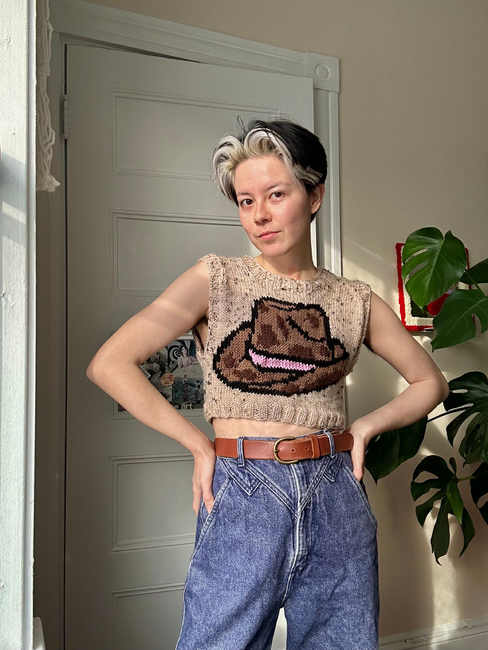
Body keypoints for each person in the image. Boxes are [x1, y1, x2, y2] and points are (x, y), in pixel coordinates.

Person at [86, 119, 449, 650]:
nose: (259, 215)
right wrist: (197, 444)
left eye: (276, 194)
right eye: (245, 200)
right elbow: (110, 363)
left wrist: (366, 427)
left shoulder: (355, 300)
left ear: (314, 195)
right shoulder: (216, 279)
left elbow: (429, 382)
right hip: (243, 491)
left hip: (335, 492)